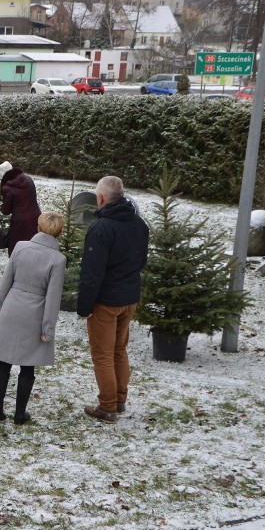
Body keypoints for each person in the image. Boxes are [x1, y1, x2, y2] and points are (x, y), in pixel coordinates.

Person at [78, 176, 149, 424]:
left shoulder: (101, 228)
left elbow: (91, 273)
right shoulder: (139, 224)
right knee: (119, 350)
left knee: (103, 354)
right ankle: (119, 399)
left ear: (100, 198)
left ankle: (107, 406)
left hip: (106, 301)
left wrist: (84, 305)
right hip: (130, 297)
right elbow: (142, 261)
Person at [0, 212, 66, 425]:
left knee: (3, 361)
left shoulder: (21, 247)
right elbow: (53, 298)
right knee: (28, 365)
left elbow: (6, 280)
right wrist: (47, 330)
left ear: (38, 227)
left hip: (12, 306)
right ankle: (20, 413)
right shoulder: (58, 260)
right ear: (59, 233)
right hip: (35, 313)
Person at [0, 161, 42, 257]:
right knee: (33, 244)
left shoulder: (7, 188)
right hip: (36, 216)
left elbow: (6, 211)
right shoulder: (28, 179)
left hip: (19, 222)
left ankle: (17, 267)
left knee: (16, 248)